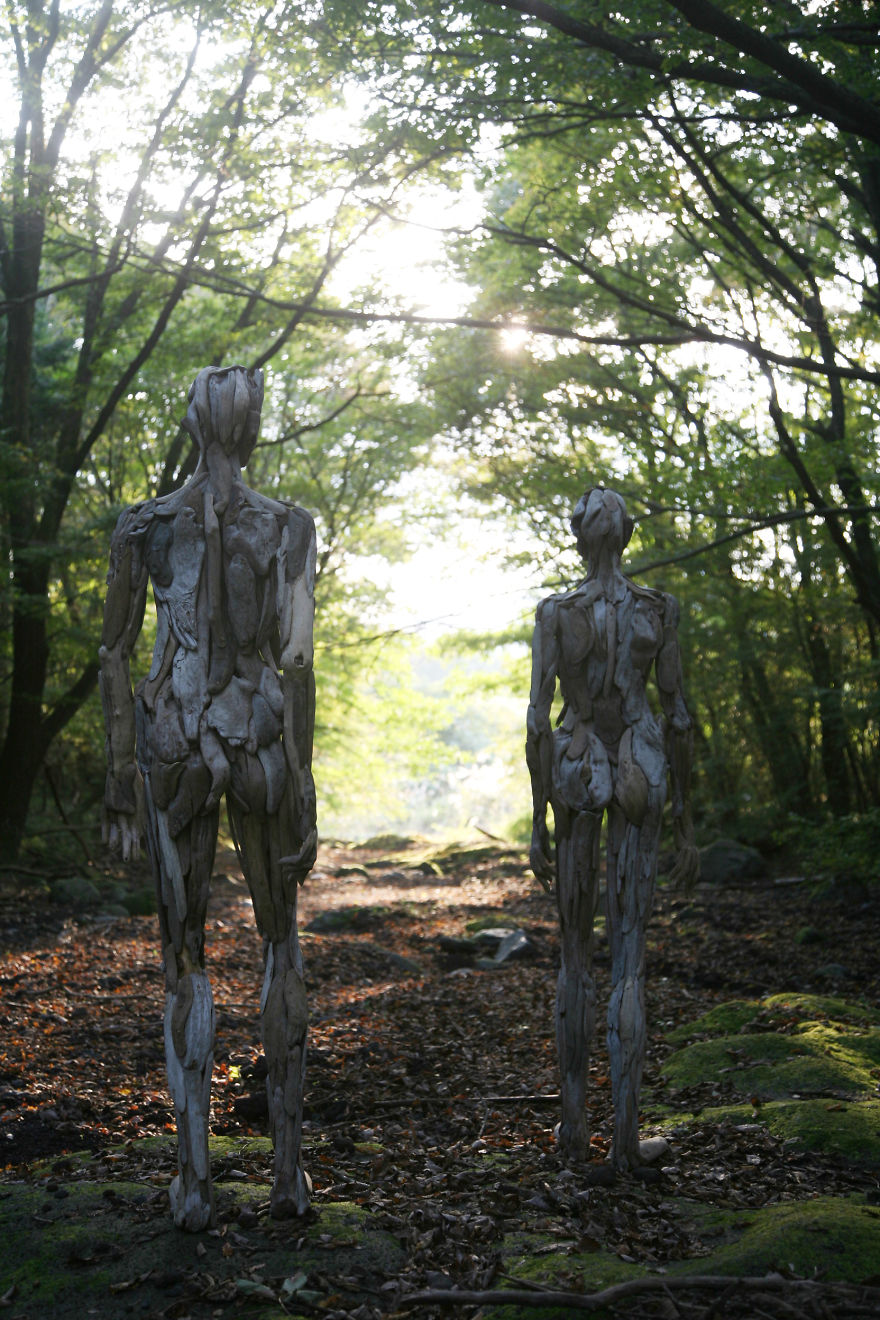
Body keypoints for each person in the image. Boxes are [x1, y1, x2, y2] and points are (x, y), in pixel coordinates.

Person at [99, 365, 317, 1229]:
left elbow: (115, 651)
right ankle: (287, 1178)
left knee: (184, 956)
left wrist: (122, 774)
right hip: (259, 734)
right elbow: (295, 663)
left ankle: (193, 1181)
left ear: (191, 425)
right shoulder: (289, 526)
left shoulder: (144, 526)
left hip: (176, 735)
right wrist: (302, 778)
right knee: (280, 945)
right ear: (254, 425)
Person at [526, 486, 698, 1169]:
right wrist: (682, 806)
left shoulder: (556, 613)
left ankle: (574, 1135)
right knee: (629, 960)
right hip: (640, 763)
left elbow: (539, 719)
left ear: (578, 537)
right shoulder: (658, 611)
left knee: (575, 957)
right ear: (625, 536)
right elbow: (677, 714)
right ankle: (625, 1142)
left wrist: (539, 815)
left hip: (574, 765)